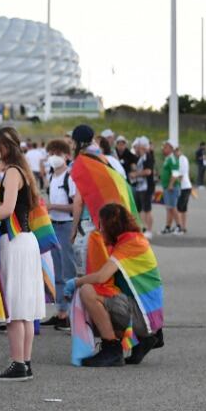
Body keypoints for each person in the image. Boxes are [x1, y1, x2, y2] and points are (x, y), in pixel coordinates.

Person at [0, 127, 46, 382]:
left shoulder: (11, 173)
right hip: (26, 240)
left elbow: (6, 209)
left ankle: (18, 363)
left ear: (7, 147)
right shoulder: (22, 171)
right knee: (25, 306)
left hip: (15, 240)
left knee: (14, 306)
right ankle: (25, 362)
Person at [74, 203, 163, 367]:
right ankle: (141, 341)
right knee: (99, 293)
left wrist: (76, 281)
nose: (100, 230)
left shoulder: (128, 244)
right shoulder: (133, 238)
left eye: (102, 225)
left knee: (87, 292)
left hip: (144, 317)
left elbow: (101, 277)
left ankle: (111, 350)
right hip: (148, 314)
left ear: (111, 226)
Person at [43, 140, 77, 330]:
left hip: (66, 226)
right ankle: (61, 312)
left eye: (58, 152)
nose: (54, 156)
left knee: (68, 271)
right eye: (51, 152)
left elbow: (75, 205)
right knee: (56, 270)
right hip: (53, 225)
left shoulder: (69, 177)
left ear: (67, 155)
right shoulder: (52, 175)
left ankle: (72, 314)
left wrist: (53, 207)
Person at [128, 137, 155, 238]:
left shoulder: (148, 157)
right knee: (140, 209)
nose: (137, 148)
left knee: (147, 209)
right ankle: (143, 228)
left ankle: (149, 230)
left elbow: (148, 171)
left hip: (146, 187)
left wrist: (136, 174)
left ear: (143, 146)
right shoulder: (141, 157)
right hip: (140, 187)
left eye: (138, 146)